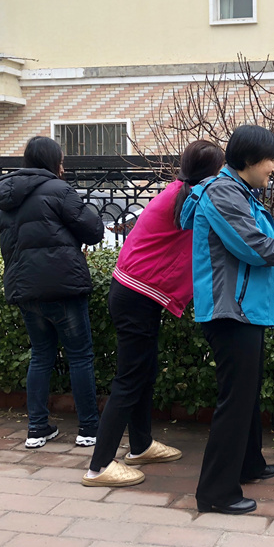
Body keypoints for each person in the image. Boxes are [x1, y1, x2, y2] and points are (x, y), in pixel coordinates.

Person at [180, 125, 274, 515]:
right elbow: (252, 246)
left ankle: (248, 464)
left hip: (244, 310)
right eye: (270, 160)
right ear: (248, 160)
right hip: (231, 312)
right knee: (235, 401)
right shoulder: (222, 192)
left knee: (247, 394)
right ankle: (215, 492)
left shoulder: (240, 192)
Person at [79, 140, 226, 487]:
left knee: (144, 373)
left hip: (137, 294)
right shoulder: (190, 199)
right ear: (211, 173)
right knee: (129, 379)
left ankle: (141, 445)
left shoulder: (185, 193)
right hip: (135, 296)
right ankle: (99, 466)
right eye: (222, 170)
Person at [0, 136, 105, 449]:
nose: (64, 167)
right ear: (52, 162)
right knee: (80, 356)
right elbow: (94, 231)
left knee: (41, 356)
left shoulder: (6, 195)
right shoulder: (59, 189)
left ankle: (37, 429)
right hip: (62, 286)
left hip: (24, 288)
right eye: (62, 161)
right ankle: (89, 429)